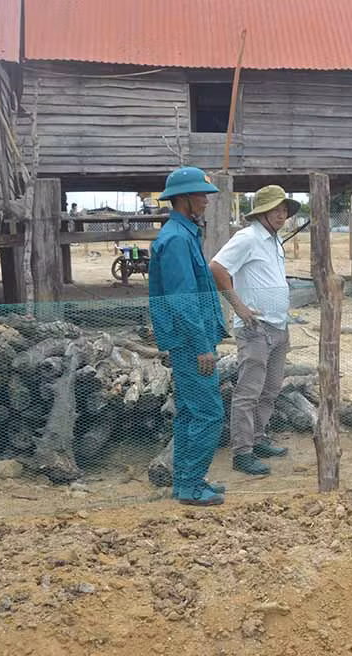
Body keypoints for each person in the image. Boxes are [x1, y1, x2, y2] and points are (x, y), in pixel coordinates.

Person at [149, 166, 228, 506]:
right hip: (189, 343)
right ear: (184, 200)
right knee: (209, 412)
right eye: (201, 195)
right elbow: (183, 300)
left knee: (189, 413)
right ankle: (191, 486)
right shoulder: (178, 239)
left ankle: (187, 480)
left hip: (189, 340)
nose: (206, 201)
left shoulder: (182, 234)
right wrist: (202, 347)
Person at [209, 185, 299, 477]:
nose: (282, 214)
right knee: (248, 391)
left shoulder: (274, 240)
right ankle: (242, 452)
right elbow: (217, 268)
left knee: (271, 389)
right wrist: (239, 307)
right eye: (276, 209)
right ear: (261, 212)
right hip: (255, 328)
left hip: (277, 324)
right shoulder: (247, 238)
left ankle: (258, 439)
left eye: (284, 209)